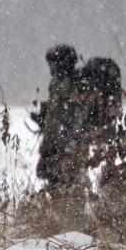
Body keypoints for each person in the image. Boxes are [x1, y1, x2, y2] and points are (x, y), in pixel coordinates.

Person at [32, 45, 85, 191]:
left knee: (66, 182)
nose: (51, 67)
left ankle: (64, 210)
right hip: (59, 140)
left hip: (64, 142)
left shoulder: (70, 84)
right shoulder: (62, 82)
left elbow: (70, 114)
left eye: (53, 63)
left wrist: (67, 138)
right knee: (59, 180)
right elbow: (57, 112)